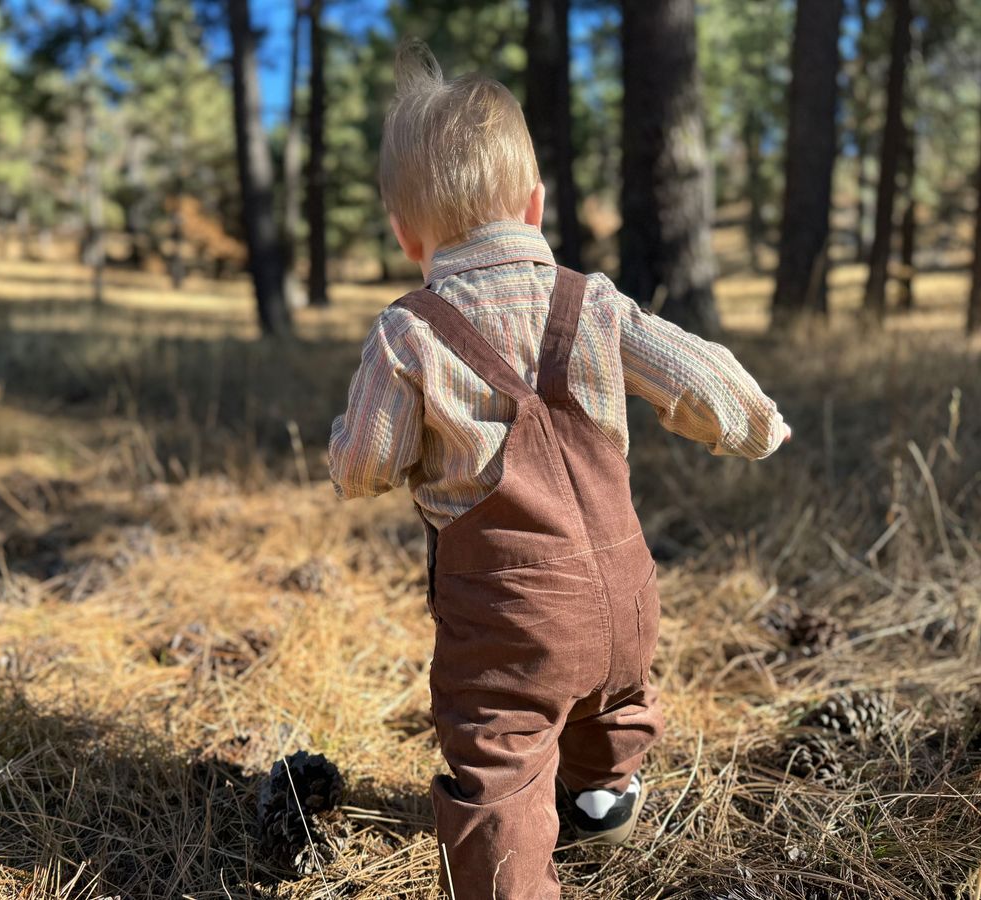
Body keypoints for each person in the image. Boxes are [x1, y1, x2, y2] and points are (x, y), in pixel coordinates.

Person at [328, 38, 790, 900]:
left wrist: (352, 467)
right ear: (535, 204)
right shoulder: (594, 301)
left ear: (403, 233)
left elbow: (363, 461)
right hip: (626, 593)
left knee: (499, 751)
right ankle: (605, 793)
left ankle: (513, 880)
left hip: (509, 616)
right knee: (614, 695)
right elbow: (697, 375)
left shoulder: (410, 332)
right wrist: (754, 423)